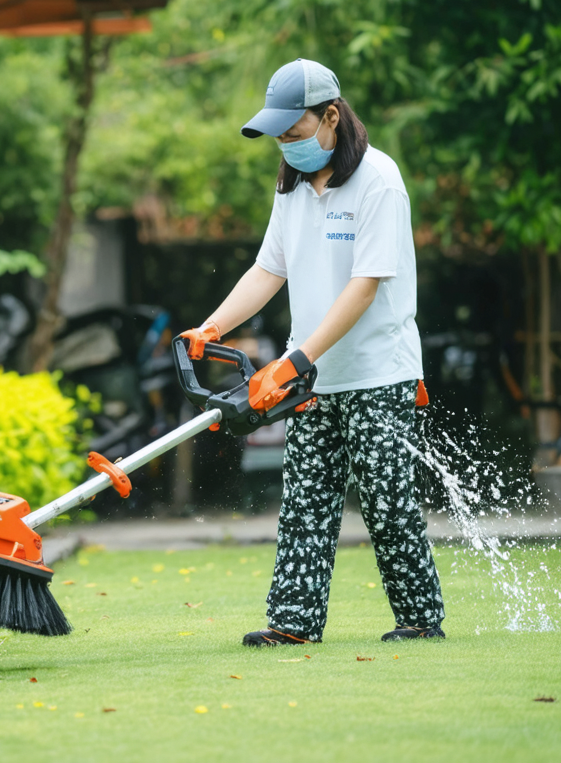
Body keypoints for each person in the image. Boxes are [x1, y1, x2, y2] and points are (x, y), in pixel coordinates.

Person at [179, 58, 445, 646]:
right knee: (305, 498)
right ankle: (294, 624)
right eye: (278, 136)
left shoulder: (379, 179)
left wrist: (296, 360)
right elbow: (268, 269)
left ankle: (420, 620)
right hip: (313, 380)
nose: (286, 145)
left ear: (331, 116)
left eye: (294, 133)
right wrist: (211, 328)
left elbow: (365, 286)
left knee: (386, 498)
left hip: (377, 370)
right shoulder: (293, 187)